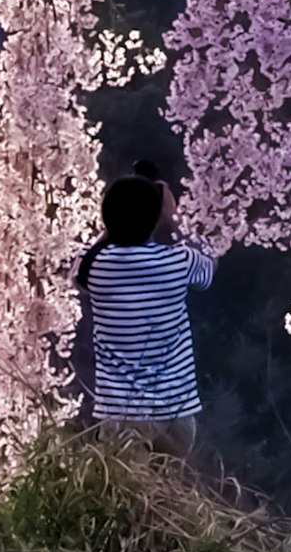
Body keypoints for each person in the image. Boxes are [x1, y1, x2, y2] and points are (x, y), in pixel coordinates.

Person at [80, 164, 216, 459]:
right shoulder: (179, 261)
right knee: (168, 497)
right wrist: (172, 219)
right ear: (156, 219)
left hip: (122, 414)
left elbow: (81, 268)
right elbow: (210, 263)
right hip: (176, 411)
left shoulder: (97, 266)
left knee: (125, 496)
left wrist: (115, 223)